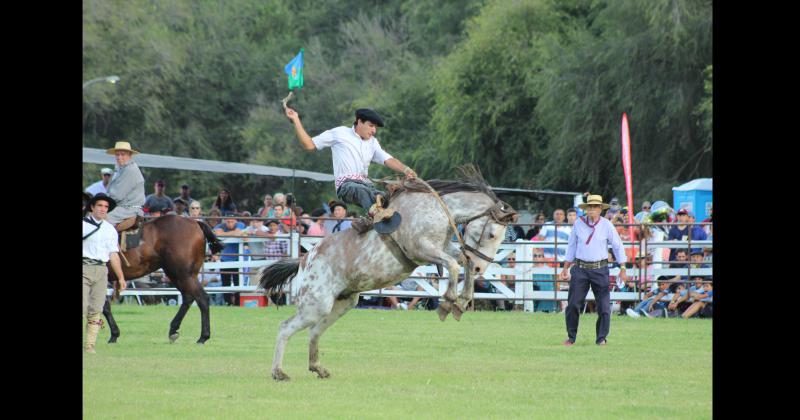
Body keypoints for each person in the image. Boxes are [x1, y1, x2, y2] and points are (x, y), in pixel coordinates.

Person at [284, 106, 417, 232]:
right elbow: (309, 144)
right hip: (346, 186)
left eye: (375, 127)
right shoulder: (339, 133)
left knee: (387, 197)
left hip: (366, 186)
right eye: (371, 126)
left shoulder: (373, 142)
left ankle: (367, 222)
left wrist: (406, 170)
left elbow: (388, 159)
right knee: (362, 191)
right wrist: (296, 120)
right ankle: (375, 216)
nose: (374, 131)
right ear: (359, 122)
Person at [560, 194, 628, 346]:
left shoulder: (607, 225)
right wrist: (565, 267)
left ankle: (601, 338)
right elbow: (572, 245)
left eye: (594, 207)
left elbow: (617, 245)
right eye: (589, 207)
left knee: (604, 306)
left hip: (600, 268)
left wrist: (623, 268)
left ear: (600, 209)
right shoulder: (578, 223)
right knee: (572, 305)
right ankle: (571, 337)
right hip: (580, 268)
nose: (591, 210)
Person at [83, 193, 126, 353]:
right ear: (92, 207)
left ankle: (89, 346)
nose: (103, 209)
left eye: (106, 207)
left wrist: (121, 277)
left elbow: (113, 255)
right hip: (84, 266)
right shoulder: (83, 225)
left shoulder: (110, 230)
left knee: (96, 308)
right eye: (100, 205)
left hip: (101, 270)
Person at [105, 141, 146, 228]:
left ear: (130, 155)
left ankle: (111, 240)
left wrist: (100, 200)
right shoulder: (119, 169)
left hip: (128, 210)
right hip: (121, 208)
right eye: (117, 154)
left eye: (123, 154)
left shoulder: (129, 170)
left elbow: (117, 196)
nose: (119, 157)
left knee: (98, 218)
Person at [214, 213, 246, 306]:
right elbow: (218, 233)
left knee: (238, 283)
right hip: (224, 258)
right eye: (228, 221)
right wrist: (233, 233)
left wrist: (224, 235)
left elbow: (238, 232)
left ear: (236, 221)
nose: (230, 223)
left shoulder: (240, 225)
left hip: (237, 259)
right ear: (225, 221)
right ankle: (228, 303)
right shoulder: (220, 226)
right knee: (225, 283)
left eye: (232, 221)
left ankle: (237, 303)